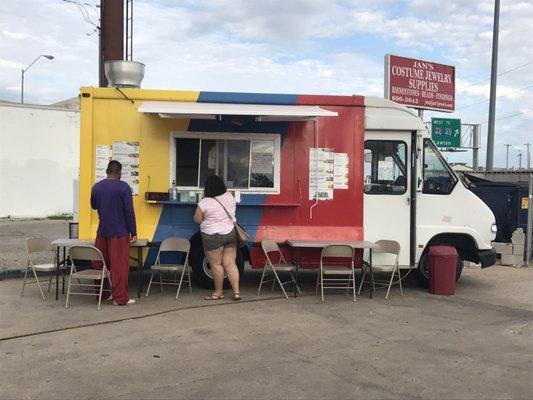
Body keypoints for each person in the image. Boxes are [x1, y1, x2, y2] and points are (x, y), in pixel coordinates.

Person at [90, 160, 137, 306]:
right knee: (119, 266)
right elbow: (129, 211)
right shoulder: (123, 187)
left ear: (107, 171)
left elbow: (93, 205)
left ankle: (102, 295)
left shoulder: (96, 187)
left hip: (102, 232)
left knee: (100, 264)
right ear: (119, 172)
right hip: (120, 232)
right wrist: (133, 231)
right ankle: (120, 298)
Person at [193, 175, 242, 301]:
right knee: (230, 263)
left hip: (212, 236)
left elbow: (197, 219)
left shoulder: (205, 202)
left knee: (216, 264)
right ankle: (236, 292)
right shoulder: (229, 196)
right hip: (230, 234)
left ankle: (218, 292)